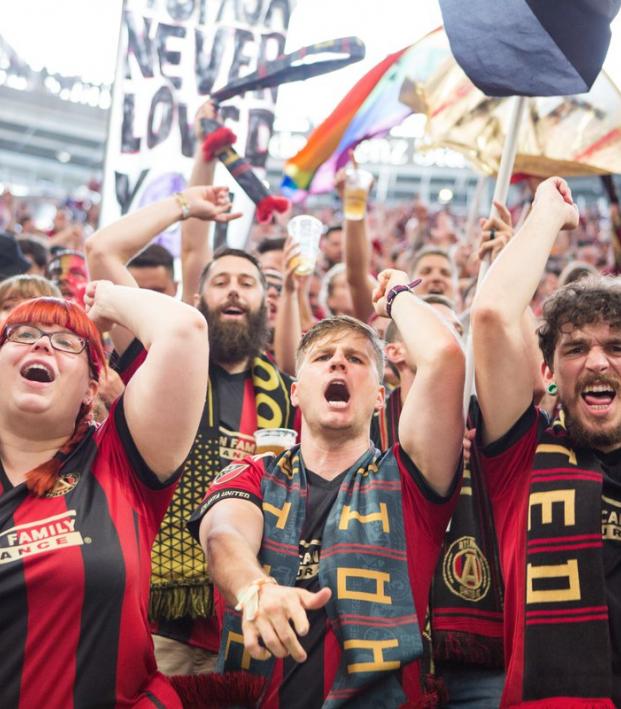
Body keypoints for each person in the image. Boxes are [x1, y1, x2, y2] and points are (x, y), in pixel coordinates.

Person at [189, 267, 465, 707]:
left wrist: (395, 297)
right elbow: (223, 537)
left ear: (379, 397)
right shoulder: (255, 472)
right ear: (296, 393)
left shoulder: (407, 480)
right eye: (323, 357)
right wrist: (255, 589)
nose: (338, 361)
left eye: (356, 359)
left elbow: (445, 357)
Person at [86, 189, 297, 677]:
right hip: (161, 624)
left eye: (248, 282)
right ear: (197, 300)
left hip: (255, 620)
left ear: (268, 303)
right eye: (220, 281)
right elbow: (103, 251)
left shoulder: (290, 394)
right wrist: (185, 203)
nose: (234, 291)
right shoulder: (165, 365)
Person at [0, 278, 208, 707]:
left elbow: (184, 330)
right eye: (24, 335)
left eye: (66, 342)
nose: (42, 346)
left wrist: (106, 299)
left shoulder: (117, 460)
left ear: (91, 389)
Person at [471, 176, 621, 707]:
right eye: (576, 348)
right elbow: (490, 316)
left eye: (617, 347)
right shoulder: (525, 457)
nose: (598, 362)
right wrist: (546, 216)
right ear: (549, 372)